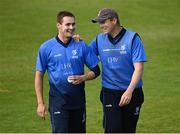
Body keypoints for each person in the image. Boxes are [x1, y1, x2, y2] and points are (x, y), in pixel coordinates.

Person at [34, 11, 100, 133]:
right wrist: (40, 103)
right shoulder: (46, 48)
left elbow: (96, 70)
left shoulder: (80, 45)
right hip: (58, 102)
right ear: (58, 25)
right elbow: (39, 75)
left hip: (78, 103)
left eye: (73, 24)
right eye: (68, 24)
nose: (71, 28)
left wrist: (83, 77)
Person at [89, 8, 147, 133]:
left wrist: (129, 92)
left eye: (103, 22)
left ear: (114, 20)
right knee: (112, 129)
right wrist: (77, 43)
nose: (101, 26)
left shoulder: (133, 38)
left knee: (128, 130)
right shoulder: (99, 39)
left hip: (132, 92)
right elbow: (85, 55)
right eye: (99, 23)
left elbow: (139, 67)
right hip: (110, 92)